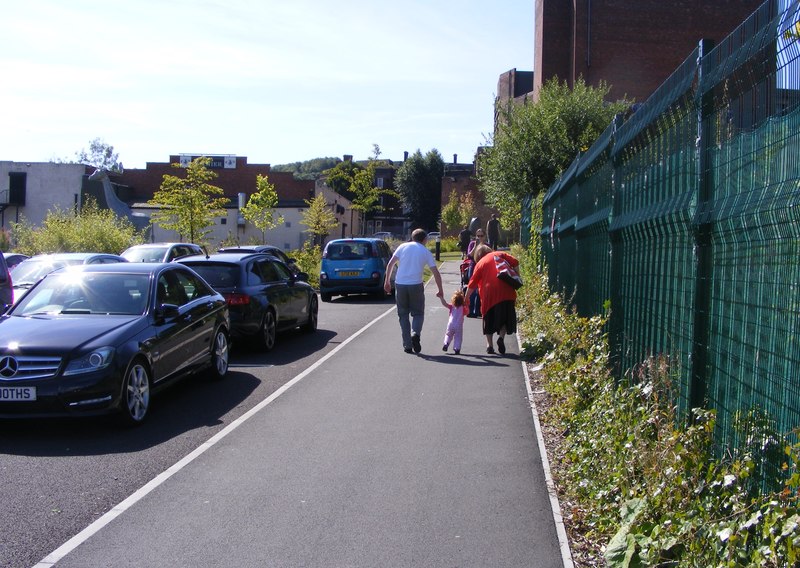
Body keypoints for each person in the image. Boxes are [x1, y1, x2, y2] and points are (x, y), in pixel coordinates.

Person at [384, 228, 444, 354]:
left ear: (412, 237)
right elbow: (436, 273)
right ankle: (415, 333)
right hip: (416, 285)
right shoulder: (425, 251)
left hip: (400, 284)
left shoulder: (402, 247)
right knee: (418, 313)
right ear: (425, 239)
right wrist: (440, 290)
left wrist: (387, 281)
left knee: (403, 315)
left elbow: (390, 264)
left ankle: (407, 345)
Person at [465, 244, 520, 355]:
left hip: (489, 294)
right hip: (507, 291)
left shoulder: (480, 263)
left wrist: (466, 299)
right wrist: (517, 275)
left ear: (478, 256)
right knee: (504, 318)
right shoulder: (500, 254)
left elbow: (472, 284)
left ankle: (490, 345)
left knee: (488, 320)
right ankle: (501, 337)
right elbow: (515, 262)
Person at [465, 229, 487, 317]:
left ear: (485, 237)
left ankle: (478, 310)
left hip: (483, 268)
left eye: (481, 236)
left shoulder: (487, 245)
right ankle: (470, 310)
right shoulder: (472, 244)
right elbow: (469, 256)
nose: (479, 238)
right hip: (473, 266)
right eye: (478, 236)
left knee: (481, 288)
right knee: (472, 288)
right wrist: (475, 246)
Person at [439, 289, 468, 355]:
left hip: (450, 324)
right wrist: (466, 305)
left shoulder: (452, 306)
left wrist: (441, 297)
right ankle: (456, 348)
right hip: (459, 325)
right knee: (458, 337)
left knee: (448, 335)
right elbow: (467, 312)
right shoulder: (463, 308)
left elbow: (445, 304)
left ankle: (446, 343)